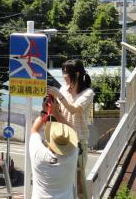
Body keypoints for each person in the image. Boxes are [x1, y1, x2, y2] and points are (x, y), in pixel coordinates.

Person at [47, 59, 95, 199]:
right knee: (62, 178)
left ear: (77, 74)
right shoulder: (63, 89)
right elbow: (61, 111)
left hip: (78, 141)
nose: (64, 76)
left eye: (66, 73)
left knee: (79, 180)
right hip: (62, 138)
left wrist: (59, 96)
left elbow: (73, 109)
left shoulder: (88, 93)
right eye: (63, 73)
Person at [30, 97, 79, 199]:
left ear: (49, 139)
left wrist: (46, 111)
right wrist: (56, 112)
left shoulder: (38, 155)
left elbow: (34, 130)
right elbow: (73, 132)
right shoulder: (72, 156)